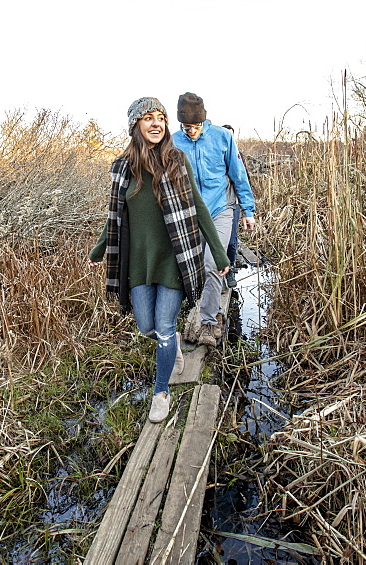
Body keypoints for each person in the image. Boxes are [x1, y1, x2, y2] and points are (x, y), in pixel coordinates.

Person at [89, 97, 229, 423]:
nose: (156, 124)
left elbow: (199, 207)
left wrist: (219, 253)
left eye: (161, 118)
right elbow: (115, 217)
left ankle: (161, 391)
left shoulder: (177, 160)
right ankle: (173, 345)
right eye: (148, 118)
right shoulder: (123, 168)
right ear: (135, 126)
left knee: (164, 327)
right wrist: (100, 249)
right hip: (139, 262)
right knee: (147, 326)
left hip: (173, 260)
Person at [172, 93, 256, 347]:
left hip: (220, 210)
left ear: (204, 120)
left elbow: (238, 175)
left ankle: (209, 323)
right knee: (188, 268)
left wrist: (248, 210)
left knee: (212, 263)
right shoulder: (173, 142)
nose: (192, 131)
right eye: (187, 127)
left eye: (196, 126)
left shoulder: (222, 137)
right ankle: (196, 311)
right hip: (189, 214)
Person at [220, 124, 248, 289]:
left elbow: (244, 182)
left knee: (231, 241)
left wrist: (246, 209)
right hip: (215, 204)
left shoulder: (238, 157)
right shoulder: (212, 154)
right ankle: (217, 277)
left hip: (233, 204)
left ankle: (229, 268)